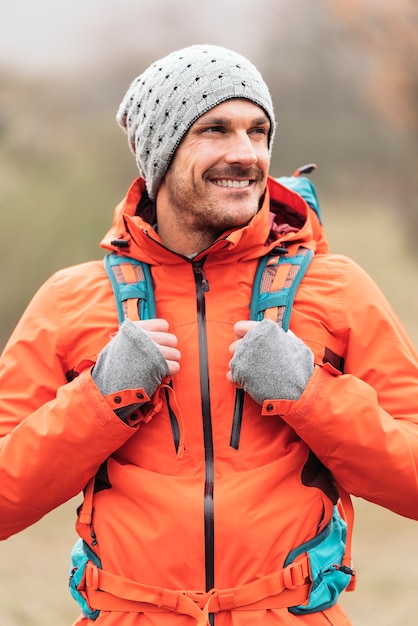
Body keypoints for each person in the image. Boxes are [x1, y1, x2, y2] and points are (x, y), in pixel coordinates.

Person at [0, 44, 417, 626]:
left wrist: (312, 396)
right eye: (214, 130)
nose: (245, 154)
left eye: (258, 131)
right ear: (158, 152)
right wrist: (98, 398)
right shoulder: (70, 300)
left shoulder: (338, 288)